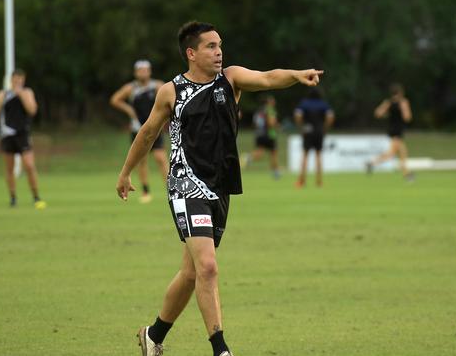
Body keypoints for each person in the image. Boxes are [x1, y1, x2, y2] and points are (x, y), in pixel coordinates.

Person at [115, 21, 323, 356]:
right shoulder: (171, 91)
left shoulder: (231, 78)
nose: (218, 51)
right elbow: (148, 133)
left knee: (190, 273)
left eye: (220, 45)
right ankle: (220, 348)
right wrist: (126, 172)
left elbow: (269, 78)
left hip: (220, 186)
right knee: (208, 267)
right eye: (211, 46)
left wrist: (296, 75)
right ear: (191, 53)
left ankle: (153, 336)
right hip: (185, 184)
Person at [0, 69, 46, 209]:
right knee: (9, 168)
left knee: (29, 165)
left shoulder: (28, 93)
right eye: (16, 79)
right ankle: (13, 198)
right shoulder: (2, 95)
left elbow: (32, 110)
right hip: (7, 135)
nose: (18, 81)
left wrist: (21, 95)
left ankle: (36, 196)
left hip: (23, 134)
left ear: (24, 80)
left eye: (21, 79)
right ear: (11, 80)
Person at [110, 60, 168, 203]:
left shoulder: (157, 86)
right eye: (140, 70)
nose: (143, 72)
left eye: (145, 70)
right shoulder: (130, 88)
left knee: (161, 158)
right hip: (138, 128)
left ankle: (171, 189)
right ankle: (145, 190)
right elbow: (115, 100)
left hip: (155, 128)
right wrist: (129, 110)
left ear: (150, 71)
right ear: (136, 72)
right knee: (141, 160)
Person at [366, 83, 414, 181]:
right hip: (398, 130)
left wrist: (388, 115)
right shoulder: (403, 102)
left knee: (403, 153)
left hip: (391, 129)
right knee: (391, 153)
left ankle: (407, 175)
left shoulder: (388, 102)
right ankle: (371, 163)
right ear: (400, 92)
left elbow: (378, 113)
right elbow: (407, 117)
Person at [294, 88, 335, 188]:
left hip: (307, 131)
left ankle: (301, 181)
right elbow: (330, 116)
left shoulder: (304, 103)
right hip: (319, 131)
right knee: (318, 155)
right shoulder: (323, 104)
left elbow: (297, 115)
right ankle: (319, 182)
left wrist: (301, 127)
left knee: (305, 155)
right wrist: (325, 128)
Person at [241, 94, 280, 179]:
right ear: (269, 102)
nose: (274, 101)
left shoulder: (259, 111)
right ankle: (276, 172)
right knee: (274, 153)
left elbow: (255, 123)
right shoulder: (270, 109)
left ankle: (248, 157)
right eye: (272, 100)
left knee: (260, 152)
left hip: (259, 134)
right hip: (269, 134)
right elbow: (271, 123)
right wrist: (276, 125)